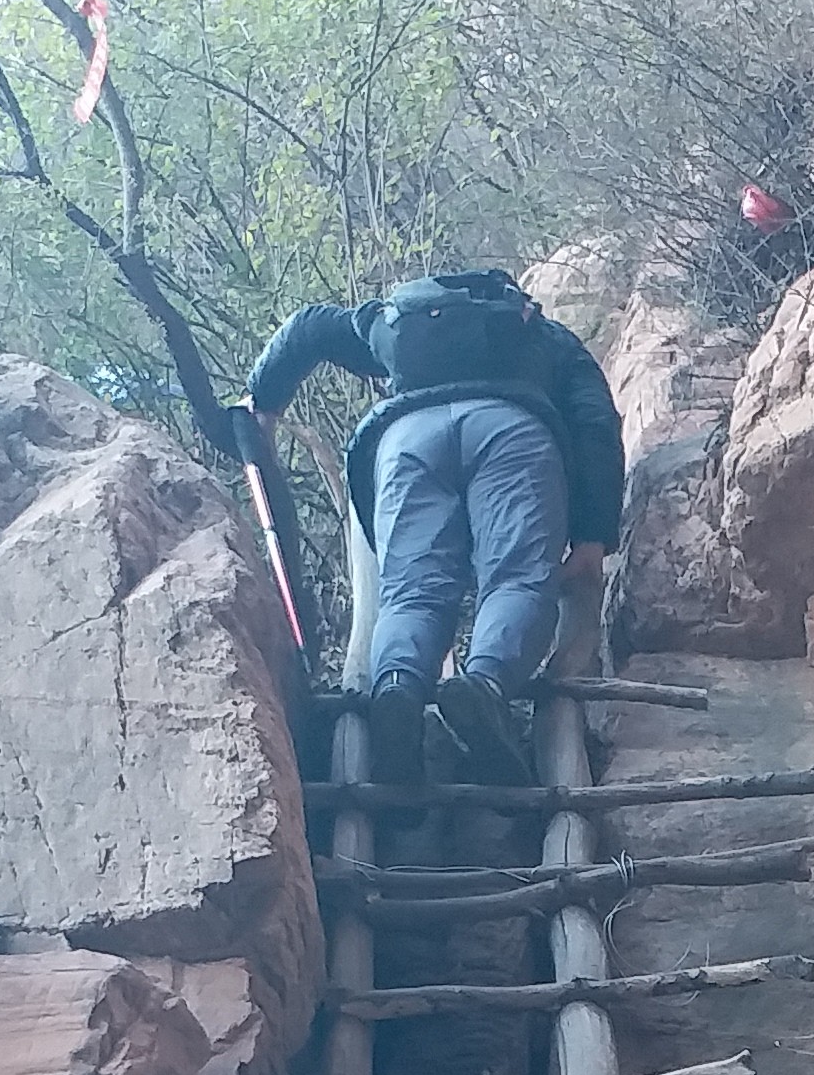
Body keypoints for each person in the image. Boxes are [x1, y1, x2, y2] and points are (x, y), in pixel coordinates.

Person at [246, 270, 627, 790]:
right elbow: (593, 419)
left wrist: (262, 405)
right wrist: (592, 534)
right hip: (512, 433)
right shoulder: (540, 332)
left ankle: (398, 689)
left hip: (406, 439)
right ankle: (485, 687)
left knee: (411, 595)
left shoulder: (397, 324)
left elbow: (310, 326)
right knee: (516, 581)